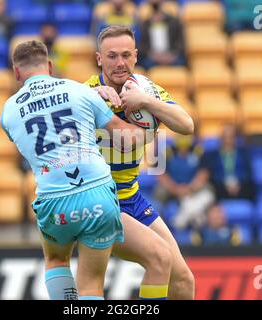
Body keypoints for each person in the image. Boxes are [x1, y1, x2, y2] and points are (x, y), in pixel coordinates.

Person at [0, 40, 163, 300]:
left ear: (16, 72)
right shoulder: (80, 91)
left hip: (53, 199)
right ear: (50, 66)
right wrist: (150, 122)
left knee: (55, 259)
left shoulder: (7, 110)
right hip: (97, 195)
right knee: (91, 285)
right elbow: (128, 138)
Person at [84, 25, 195, 300]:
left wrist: (145, 100)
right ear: (99, 58)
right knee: (159, 259)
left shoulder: (146, 89)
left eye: (125, 55)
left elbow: (187, 125)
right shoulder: (85, 93)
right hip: (99, 201)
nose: (119, 63)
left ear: (135, 56)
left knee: (183, 280)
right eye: (111, 56)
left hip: (131, 197)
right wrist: (94, 103)